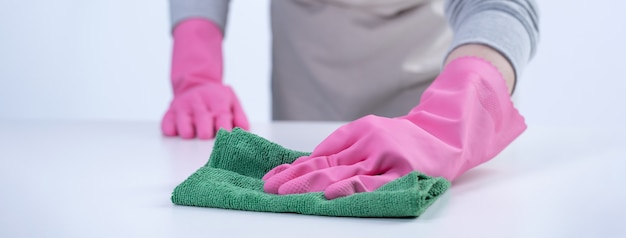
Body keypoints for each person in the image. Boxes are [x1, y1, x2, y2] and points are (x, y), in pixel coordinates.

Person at [163, 0, 539, 199]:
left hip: (433, 82)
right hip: (308, 84)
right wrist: (197, 62)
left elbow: (500, 5)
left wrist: (455, 111)